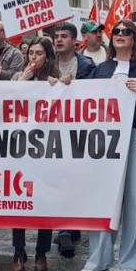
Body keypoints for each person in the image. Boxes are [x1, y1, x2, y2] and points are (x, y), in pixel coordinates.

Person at [79, 20, 136, 271]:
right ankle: (98, 262)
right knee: (102, 199)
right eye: (116, 32)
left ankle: (131, 261)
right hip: (106, 141)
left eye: (125, 32)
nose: (119, 35)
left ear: (134, 38)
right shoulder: (102, 68)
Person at [10, 37, 60, 271]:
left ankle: (41, 252)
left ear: (48, 57)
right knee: (17, 200)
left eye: (39, 54)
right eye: (30, 53)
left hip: (45, 149)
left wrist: (58, 86)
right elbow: (5, 101)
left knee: (43, 202)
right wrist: (22, 81)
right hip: (19, 146)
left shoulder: (54, 80)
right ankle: (19, 251)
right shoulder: (17, 77)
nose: (33, 58)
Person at [49, 22, 95, 256]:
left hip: (77, 130)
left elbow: (92, 95)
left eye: (64, 36)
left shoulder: (86, 65)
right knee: (58, 179)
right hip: (52, 130)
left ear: (74, 41)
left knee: (74, 179)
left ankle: (71, 224)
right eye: (56, 36)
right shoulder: (48, 65)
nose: (58, 40)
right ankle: (65, 230)